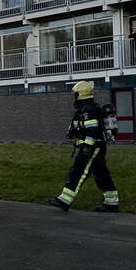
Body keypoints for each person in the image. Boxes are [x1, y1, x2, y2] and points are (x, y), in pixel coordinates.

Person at [47, 81, 120, 213]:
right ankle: (111, 203)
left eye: (75, 94)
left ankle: (64, 200)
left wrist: (87, 146)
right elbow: (80, 127)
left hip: (92, 147)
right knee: (101, 175)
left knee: (78, 172)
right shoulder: (87, 108)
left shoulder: (88, 110)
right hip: (96, 146)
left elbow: (92, 130)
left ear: (80, 94)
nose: (74, 96)